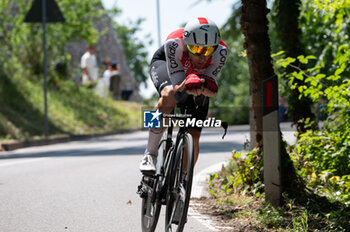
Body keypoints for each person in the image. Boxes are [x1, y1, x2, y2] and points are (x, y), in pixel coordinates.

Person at [139, 17, 229, 175]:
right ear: (187, 44)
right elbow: (177, 86)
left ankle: (183, 180)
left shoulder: (221, 52)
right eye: (197, 49)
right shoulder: (174, 44)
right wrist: (188, 81)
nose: (203, 57)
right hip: (165, 64)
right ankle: (149, 154)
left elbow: (210, 88)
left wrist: (208, 89)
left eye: (208, 50)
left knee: (194, 135)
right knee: (169, 94)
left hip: (194, 77)